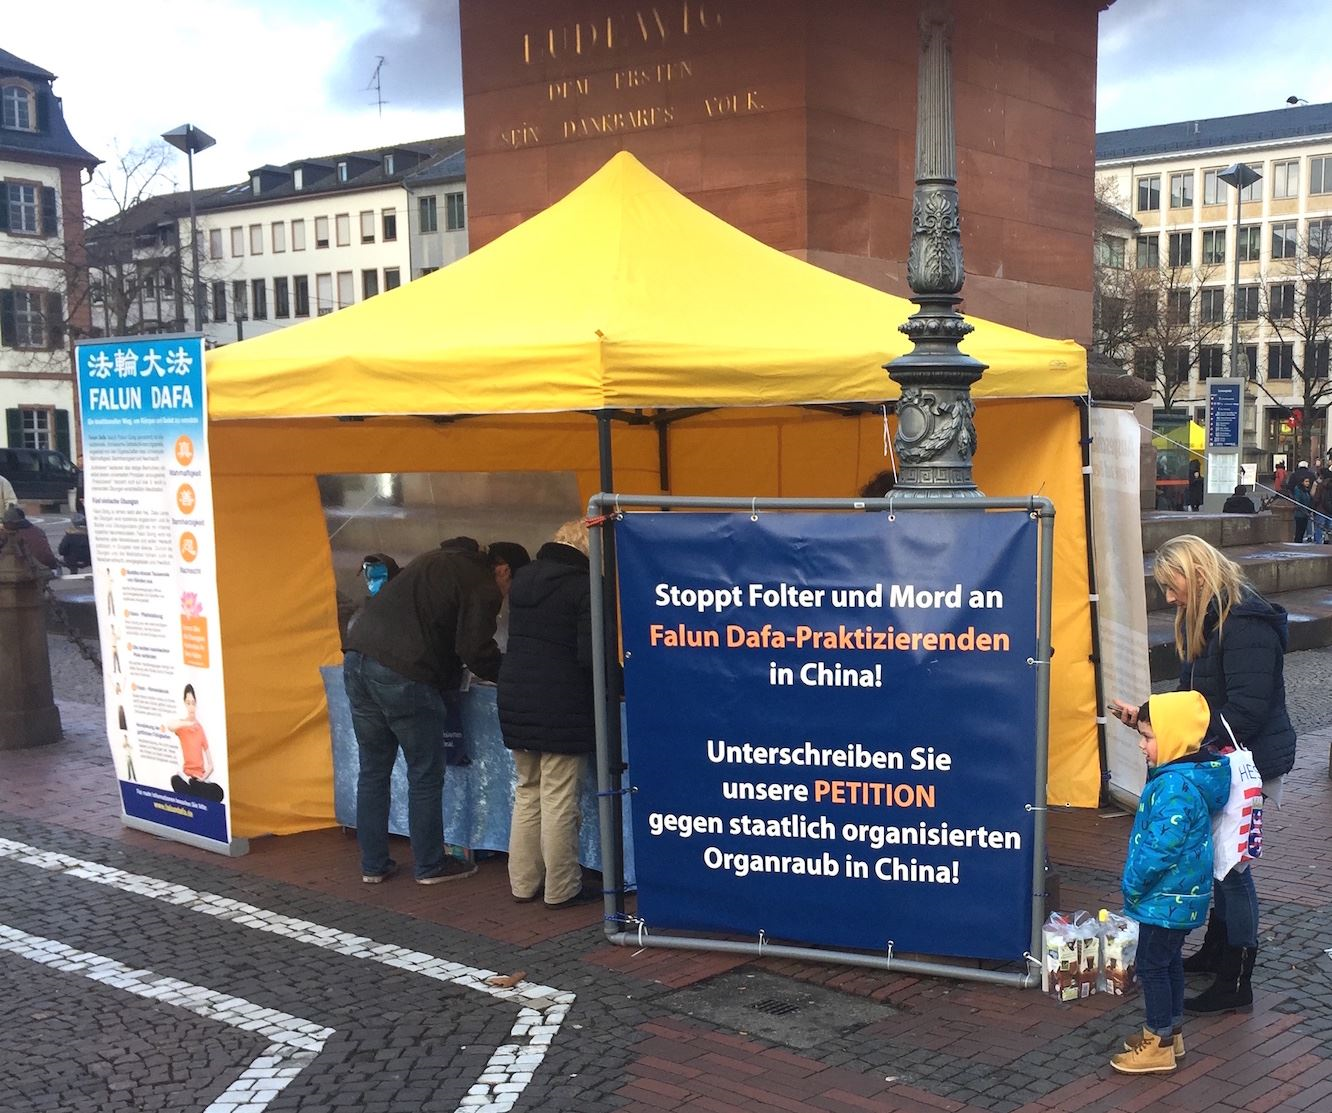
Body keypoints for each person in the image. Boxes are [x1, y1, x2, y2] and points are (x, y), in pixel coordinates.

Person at [1111, 535, 1296, 1017]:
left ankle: (1236, 980)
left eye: (1171, 586)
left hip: (1245, 761)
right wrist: (1149, 718)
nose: (1169, 597)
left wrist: (1183, 741)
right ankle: (1218, 952)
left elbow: (1246, 711)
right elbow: (1190, 701)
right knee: (1219, 863)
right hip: (1219, 758)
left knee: (1233, 871)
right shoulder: (1209, 618)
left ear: (1196, 575)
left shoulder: (1244, 623)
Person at [342, 536, 518, 885]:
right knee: (424, 773)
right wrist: (510, 675)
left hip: (357, 656)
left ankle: (373, 864)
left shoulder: (432, 561)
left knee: (373, 770)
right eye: (510, 584)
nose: (506, 593)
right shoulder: (481, 583)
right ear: (503, 570)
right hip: (403, 672)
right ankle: (430, 864)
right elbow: (475, 649)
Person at [1110, 692, 1229, 1075]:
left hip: (1164, 896)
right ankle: (1171, 1032)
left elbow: (1160, 848)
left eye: (1148, 737)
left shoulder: (1173, 786)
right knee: (1168, 961)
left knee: (1152, 966)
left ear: (1174, 740)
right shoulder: (1185, 775)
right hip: (1180, 896)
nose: (1141, 745)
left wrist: (1133, 882)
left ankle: (1158, 1042)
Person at [498, 520, 599, 909]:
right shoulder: (584, 586)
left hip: (516, 695)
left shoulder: (523, 578)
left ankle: (523, 884)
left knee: (528, 791)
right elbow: (592, 655)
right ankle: (562, 888)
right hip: (561, 702)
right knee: (558, 796)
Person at [163, 683, 224, 803]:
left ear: (196, 704)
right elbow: (169, 726)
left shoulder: (200, 729)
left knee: (218, 792)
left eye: (193, 703)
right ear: (184, 703)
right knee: (175, 780)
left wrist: (202, 779)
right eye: (188, 703)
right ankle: (195, 790)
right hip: (186, 777)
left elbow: (211, 765)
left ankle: (194, 788)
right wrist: (188, 723)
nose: (191, 707)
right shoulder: (181, 725)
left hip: (199, 779)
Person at [0, 505, 57, 570]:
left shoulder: (8, 534)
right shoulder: (37, 530)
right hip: (44, 568)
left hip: (23, 570)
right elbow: (46, 555)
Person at [1292, 475, 1313, 543]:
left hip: (1305, 513)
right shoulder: (1298, 489)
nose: (1308, 483)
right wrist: (1304, 511)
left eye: (1308, 481)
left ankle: (1300, 542)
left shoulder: (1306, 490)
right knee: (1299, 531)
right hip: (1300, 514)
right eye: (1306, 481)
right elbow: (1298, 501)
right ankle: (1297, 542)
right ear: (1302, 482)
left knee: (1303, 530)